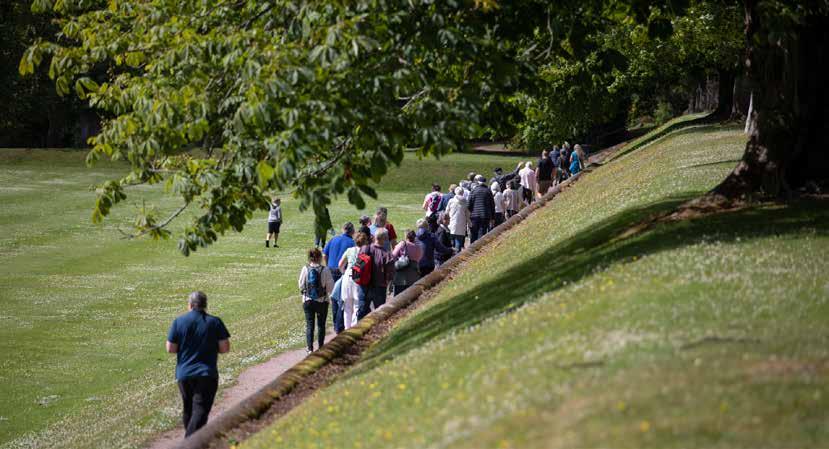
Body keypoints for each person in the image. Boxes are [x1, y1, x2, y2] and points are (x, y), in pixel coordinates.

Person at [166, 291, 230, 438]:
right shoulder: (215, 322)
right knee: (200, 410)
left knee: (188, 409)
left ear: (189, 305)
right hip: (206, 373)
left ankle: (192, 441)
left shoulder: (179, 321)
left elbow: (171, 348)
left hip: (184, 374)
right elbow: (224, 348)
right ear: (205, 305)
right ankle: (190, 443)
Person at [298, 248, 335, 354]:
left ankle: (310, 348)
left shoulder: (305, 268)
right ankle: (321, 347)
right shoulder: (325, 270)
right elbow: (330, 287)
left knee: (310, 325)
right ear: (319, 257)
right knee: (321, 325)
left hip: (307, 300)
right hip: (322, 301)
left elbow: (301, 285)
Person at [322, 222, 355, 333]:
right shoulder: (351, 242)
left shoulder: (334, 239)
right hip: (342, 271)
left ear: (343, 229)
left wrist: (327, 266)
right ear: (352, 231)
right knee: (341, 297)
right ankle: (339, 325)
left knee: (333, 297)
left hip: (331, 270)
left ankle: (336, 323)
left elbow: (325, 254)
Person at [357, 228, 395, 320]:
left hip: (364, 286)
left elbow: (358, 266)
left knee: (362, 313)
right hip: (379, 288)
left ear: (374, 237)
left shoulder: (365, 248)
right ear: (385, 239)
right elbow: (390, 274)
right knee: (379, 314)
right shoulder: (387, 255)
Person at [338, 232, 370, 329]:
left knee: (347, 306)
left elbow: (340, 265)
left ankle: (347, 329)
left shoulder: (349, 250)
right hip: (358, 277)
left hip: (348, 275)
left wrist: (343, 272)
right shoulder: (365, 252)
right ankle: (354, 327)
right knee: (357, 305)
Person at [391, 230, 423, 296]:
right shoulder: (418, 246)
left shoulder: (402, 244)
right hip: (414, 274)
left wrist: (398, 261)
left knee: (398, 295)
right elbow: (419, 258)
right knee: (411, 295)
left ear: (406, 236)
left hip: (401, 275)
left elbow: (393, 255)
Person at [467, 174, 495, 243]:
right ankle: (480, 246)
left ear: (478, 182)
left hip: (474, 215)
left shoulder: (473, 191)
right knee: (482, 232)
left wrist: (469, 214)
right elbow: (492, 205)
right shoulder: (488, 191)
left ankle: (472, 246)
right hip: (485, 215)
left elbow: (469, 204)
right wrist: (493, 217)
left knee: (474, 233)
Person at [446, 186, 470, 252]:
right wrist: (469, 224)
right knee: (458, 242)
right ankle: (457, 255)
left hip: (452, 223)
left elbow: (446, 212)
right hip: (462, 224)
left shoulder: (451, 201)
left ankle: (452, 254)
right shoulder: (465, 202)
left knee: (452, 241)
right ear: (462, 193)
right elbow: (467, 214)